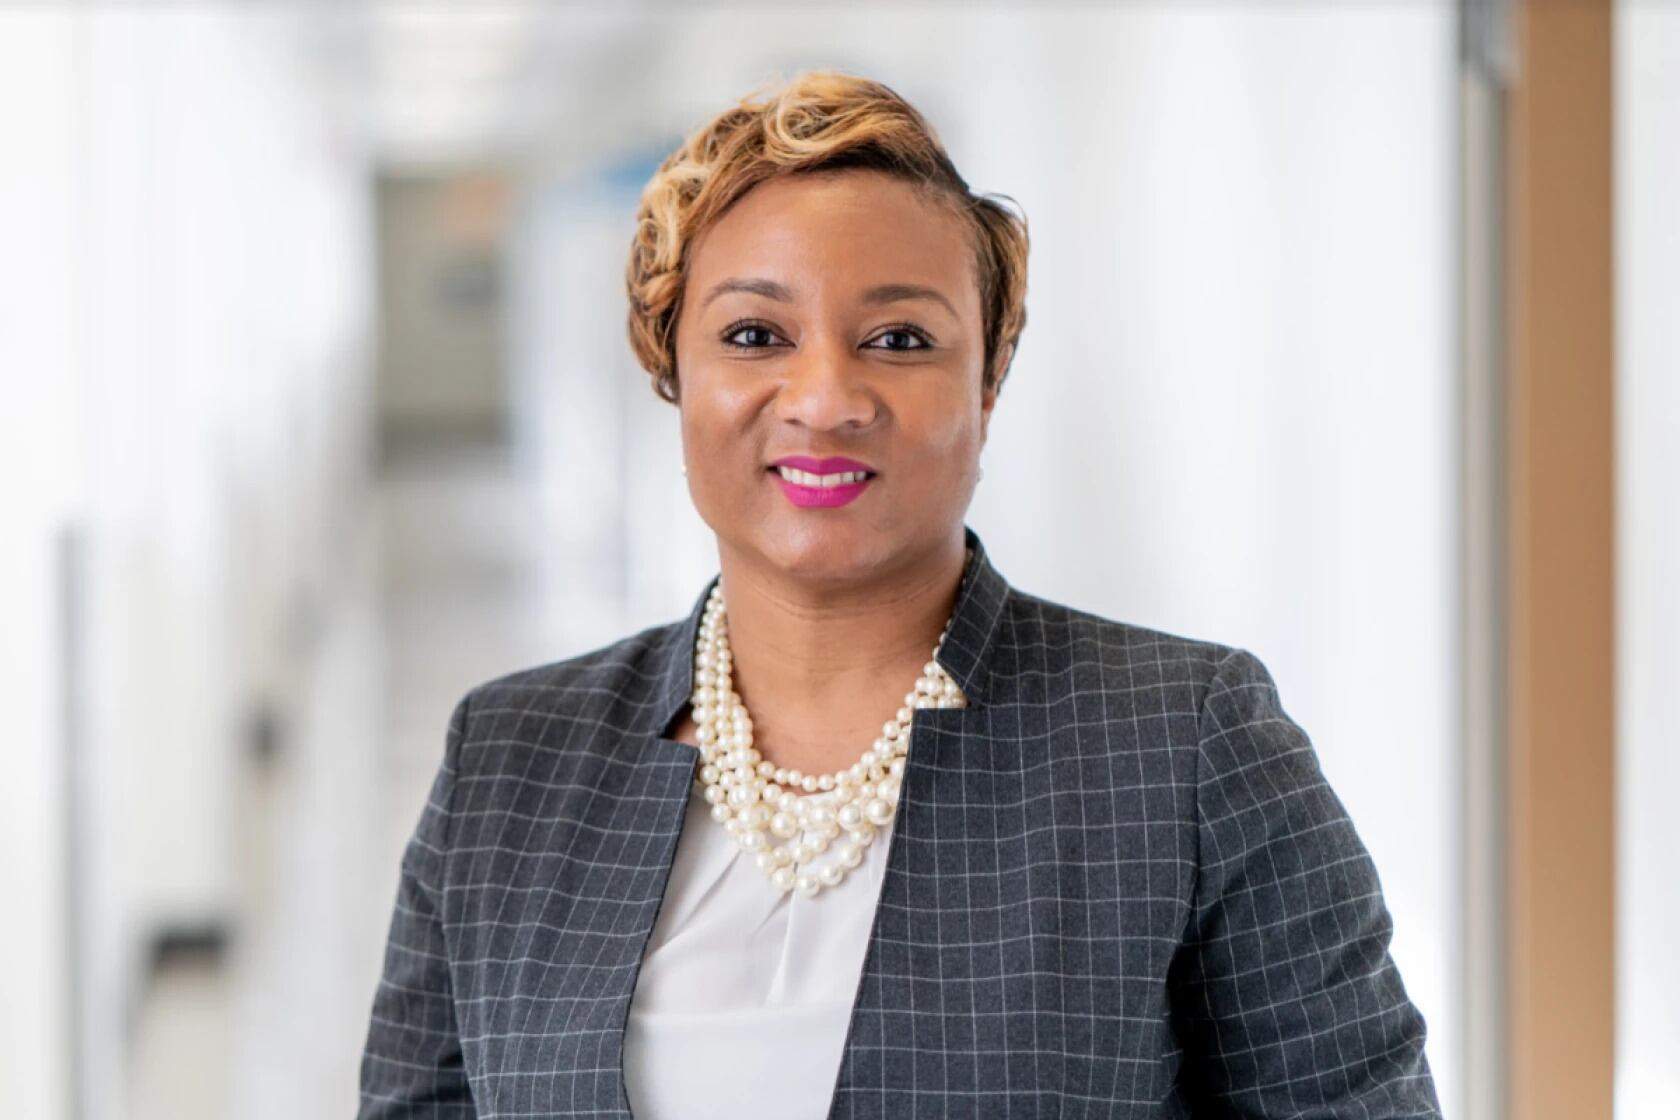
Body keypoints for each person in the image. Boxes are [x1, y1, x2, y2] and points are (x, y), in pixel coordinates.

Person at [358, 70, 1442, 1119]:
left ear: (990, 378)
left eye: (899, 340)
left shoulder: (1183, 746)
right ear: (671, 367)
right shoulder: (509, 759)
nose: (826, 400)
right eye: (754, 336)